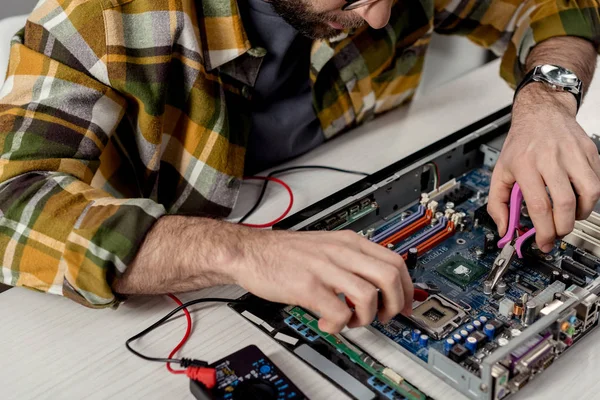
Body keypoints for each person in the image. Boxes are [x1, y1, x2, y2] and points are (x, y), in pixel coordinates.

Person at [0, 0, 598, 334]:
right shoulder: (100, 18)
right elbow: (11, 201)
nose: (382, 15)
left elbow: (553, 4)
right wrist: (243, 251)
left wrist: (546, 99)